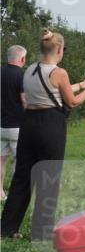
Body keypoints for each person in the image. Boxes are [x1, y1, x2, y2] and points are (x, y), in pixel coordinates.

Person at [0, 30, 85, 240]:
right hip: (50, 126)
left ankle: (6, 228)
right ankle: (41, 231)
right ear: (59, 49)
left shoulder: (29, 69)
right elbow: (72, 102)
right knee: (49, 178)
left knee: (22, 177)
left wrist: (81, 84)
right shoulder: (60, 72)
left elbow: (51, 90)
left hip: (28, 124)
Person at [1, 45, 28, 202]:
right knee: (20, 161)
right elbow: (25, 100)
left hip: (0, 126)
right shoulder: (22, 76)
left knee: (1, 160)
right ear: (23, 59)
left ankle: (0, 193)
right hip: (18, 127)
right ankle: (15, 195)